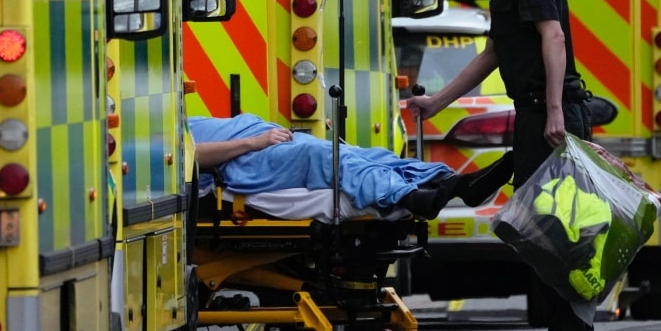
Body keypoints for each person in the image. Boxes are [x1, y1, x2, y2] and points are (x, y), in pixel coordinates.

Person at [407, 0, 595, 331]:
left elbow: (552, 36)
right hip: (536, 117)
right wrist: (436, 102)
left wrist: (554, 110)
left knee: (553, 234)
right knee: (546, 232)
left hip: (547, 115)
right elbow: (494, 54)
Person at [191, 113, 508, 219]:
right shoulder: (152, 140)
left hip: (260, 139)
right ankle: (408, 197)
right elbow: (188, 156)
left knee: (362, 154)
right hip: (245, 160)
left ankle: (448, 181)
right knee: (328, 159)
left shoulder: (159, 114)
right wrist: (254, 142)